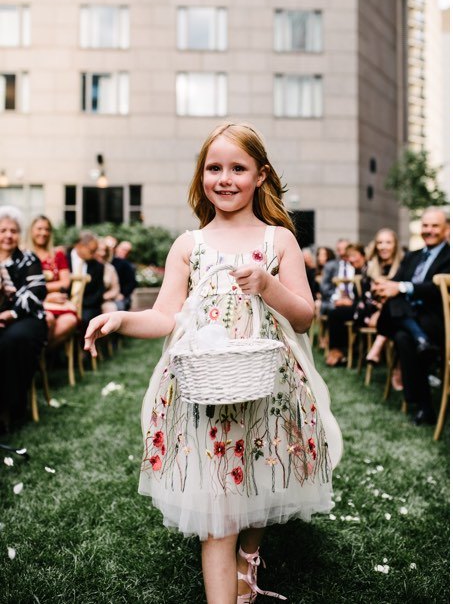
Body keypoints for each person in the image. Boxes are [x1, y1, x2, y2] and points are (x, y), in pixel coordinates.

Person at [83, 122, 342, 603]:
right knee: (218, 515)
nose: (225, 179)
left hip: (268, 388)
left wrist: (267, 285)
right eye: (214, 168)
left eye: (238, 168)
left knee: (259, 480)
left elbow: (305, 319)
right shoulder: (190, 245)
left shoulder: (279, 240)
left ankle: (249, 564)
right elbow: (165, 317)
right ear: (201, 175)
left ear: (260, 176)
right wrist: (119, 318)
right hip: (208, 394)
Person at [372, 207, 450, 426]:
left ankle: (424, 407)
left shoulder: (449, 255)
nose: (429, 230)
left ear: (446, 229)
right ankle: (420, 339)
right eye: (425, 225)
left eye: (434, 225)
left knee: (402, 338)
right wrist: (382, 286)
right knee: (395, 299)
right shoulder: (412, 256)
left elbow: (436, 290)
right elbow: (394, 282)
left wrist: (402, 287)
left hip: (433, 319)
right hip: (404, 314)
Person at [0, 206, 47, 430]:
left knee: (11, 341)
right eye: (3, 230)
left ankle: (11, 409)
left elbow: (37, 292)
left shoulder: (28, 258)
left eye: (13, 230)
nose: (8, 235)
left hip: (27, 318)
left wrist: (11, 313)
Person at [28, 215, 79, 347]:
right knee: (48, 318)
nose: (43, 233)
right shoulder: (24, 254)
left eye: (47, 229)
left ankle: (41, 353)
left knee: (70, 320)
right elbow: (23, 286)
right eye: (39, 228)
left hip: (58, 302)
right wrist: (47, 295)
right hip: (34, 302)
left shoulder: (58, 254)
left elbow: (65, 283)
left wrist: (42, 289)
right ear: (31, 231)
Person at [362, 228, 403, 366]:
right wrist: (379, 307)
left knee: (398, 318)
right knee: (399, 318)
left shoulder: (403, 266)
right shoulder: (370, 266)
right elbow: (364, 295)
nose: (383, 246)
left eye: (388, 242)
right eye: (380, 242)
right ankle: (398, 369)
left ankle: (378, 348)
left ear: (395, 245)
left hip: (392, 311)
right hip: (370, 310)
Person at [112, 240, 137, 311]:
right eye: (123, 249)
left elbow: (132, 283)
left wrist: (122, 295)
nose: (124, 252)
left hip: (120, 296)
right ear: (117, 248)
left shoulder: (128, 266)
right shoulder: (109, 261)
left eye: (127, 250)